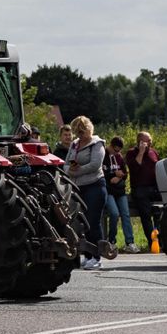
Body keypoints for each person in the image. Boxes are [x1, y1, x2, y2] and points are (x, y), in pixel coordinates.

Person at [65, 116, 107, 270]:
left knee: (93, 222)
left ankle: (97, 257)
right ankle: (88, 256)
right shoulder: (74, 144)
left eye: (83, 132)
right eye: (78, 133)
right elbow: (65, 164)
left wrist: (77, 172)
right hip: (78, 189)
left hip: (95, 187)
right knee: (81, 223)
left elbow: (95, 165)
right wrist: (69, 170)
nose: (80, 135)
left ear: (89, 129)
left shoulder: (97, 144)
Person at [103, 136, 138, 253]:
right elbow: (103, 172)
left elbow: (125, 173)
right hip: (108, 191)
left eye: (119, 150)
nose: (117, 152)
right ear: (111, 145)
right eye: (115, 149)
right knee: (114, 214)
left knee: (125, 215)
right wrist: (113, 175)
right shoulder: (103, 155)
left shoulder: (119, 157)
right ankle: (111, 240)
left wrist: (119, 177)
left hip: (120, 190)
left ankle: (130, 242)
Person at [125, 131, 159, 247]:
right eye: (147, 140)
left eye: (150, 140)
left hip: (154, 188)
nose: (150, 142)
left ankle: (160, 239)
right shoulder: (131, 153)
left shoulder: (154, 152)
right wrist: (141, 152)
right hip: (140, 189)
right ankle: (152, 242)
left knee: (160, 213)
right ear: (140, 142)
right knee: (146, 215)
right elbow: (134, 168)